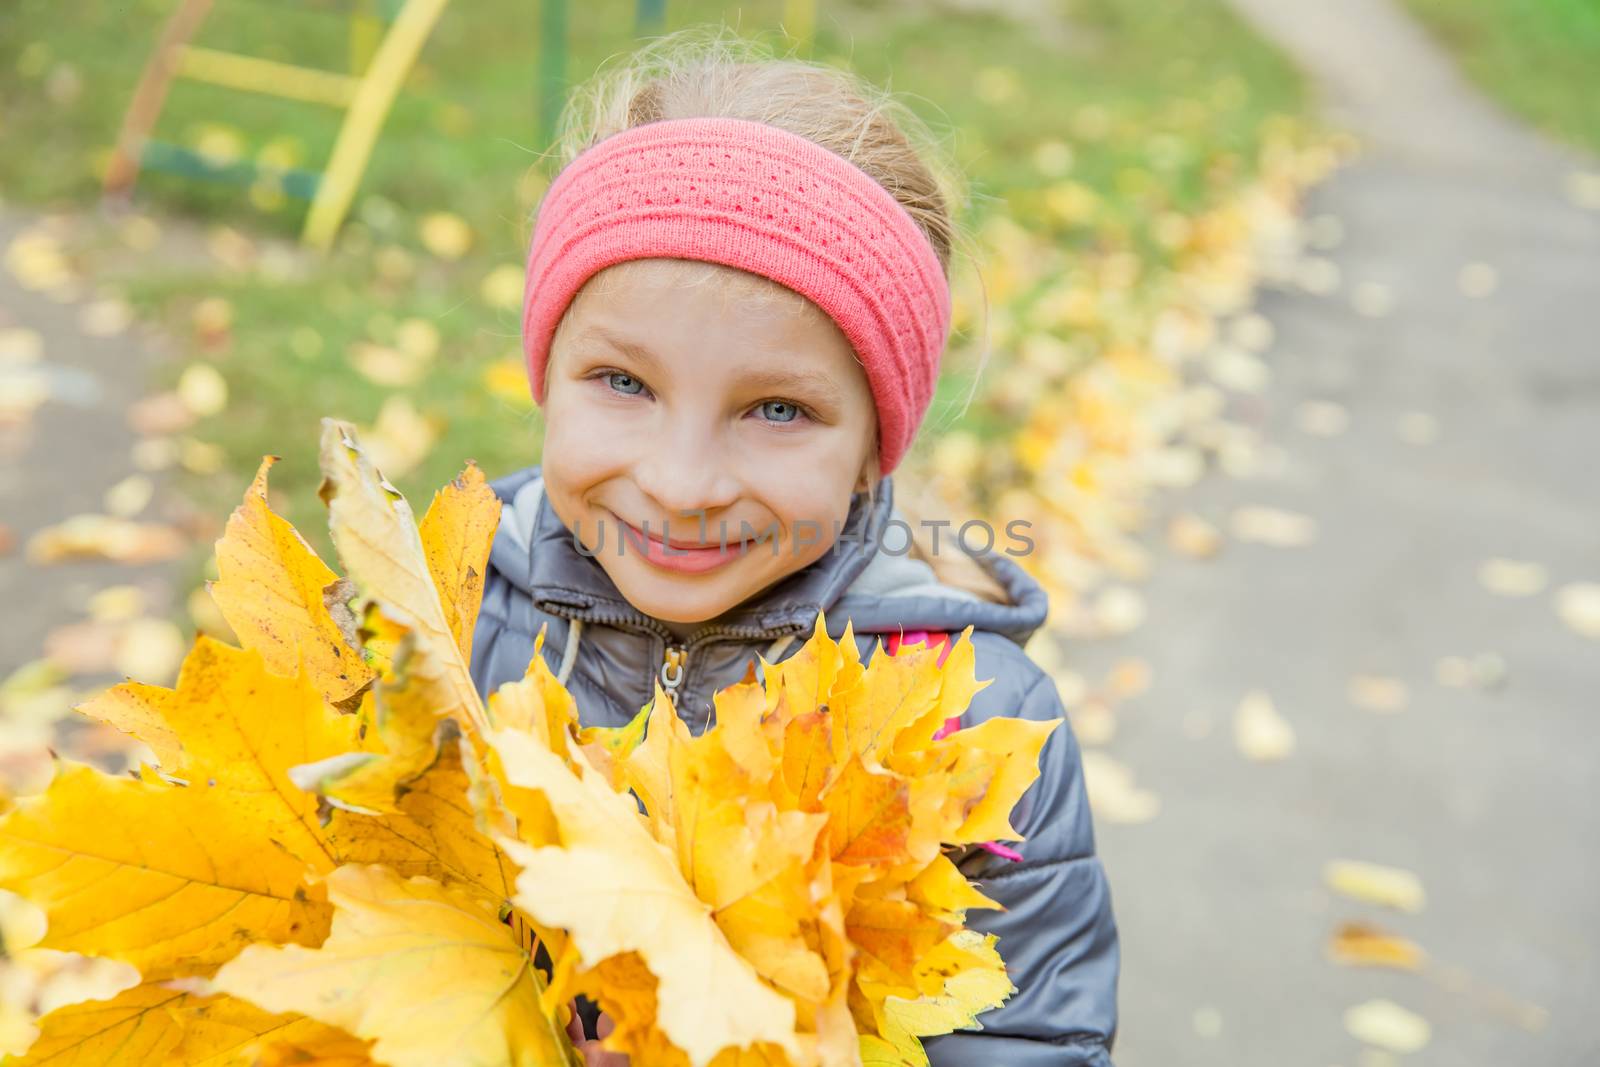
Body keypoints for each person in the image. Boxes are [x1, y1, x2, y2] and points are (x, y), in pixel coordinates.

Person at [471, 27, 1119, 1067]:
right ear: (547, 375)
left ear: (873, 450)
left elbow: (1033, 1039)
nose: (682, 484)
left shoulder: (970, 721)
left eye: (775, 408)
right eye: (625, 384)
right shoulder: (434, 615)